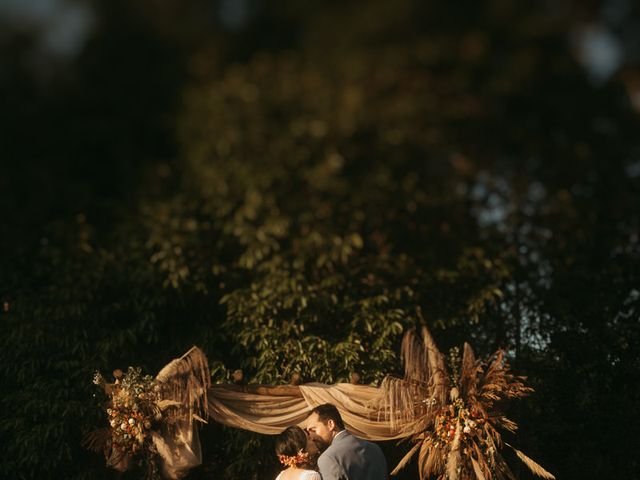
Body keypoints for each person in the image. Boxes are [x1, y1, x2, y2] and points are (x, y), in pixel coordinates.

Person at [305, 403, 387, 480]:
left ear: (331, 424)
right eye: (309, 433)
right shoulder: (374, 448)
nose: (311, 437)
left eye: (313, 430)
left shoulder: (329, 458)